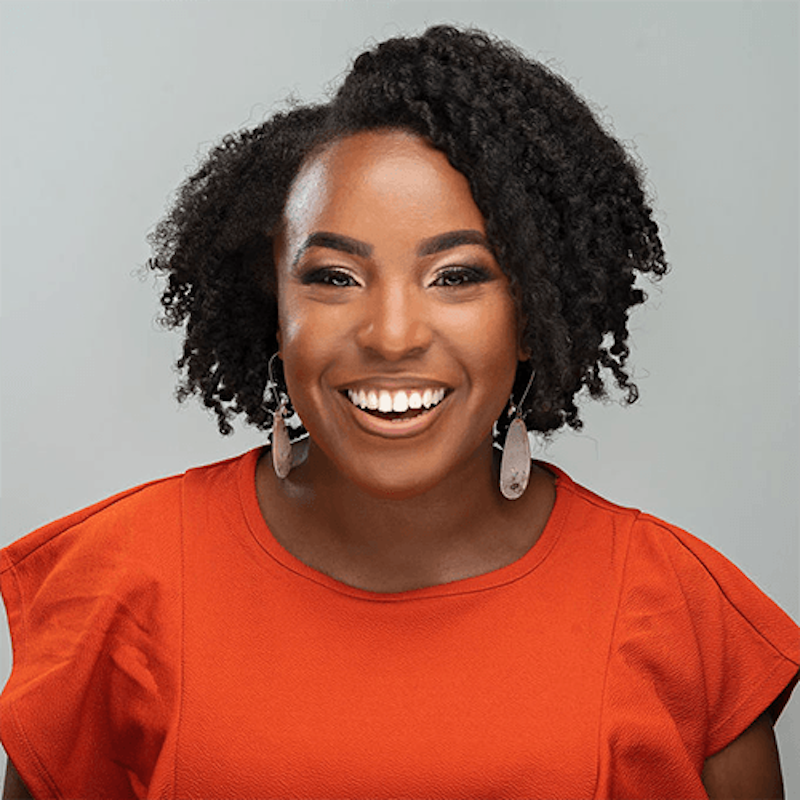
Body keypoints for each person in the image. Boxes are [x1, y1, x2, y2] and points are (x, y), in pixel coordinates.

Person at [1, 25, 797, 800]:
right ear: (272, 304)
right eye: (335, 277)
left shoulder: (681, 614)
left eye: (456, 276)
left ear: (534, 310)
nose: (391, 335)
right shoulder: (116, 586)